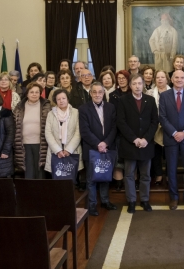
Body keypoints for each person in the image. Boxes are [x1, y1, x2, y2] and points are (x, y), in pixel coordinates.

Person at [117, 74, 159, 213]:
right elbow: (121, 122)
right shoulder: (123, 100)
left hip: (146, 144)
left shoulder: (150, 100)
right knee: (129, 174)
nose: (137, 86)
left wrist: (146, 139)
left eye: (139, 83)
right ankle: (131, 201)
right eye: (134, 83)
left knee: (145, 175)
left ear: (143, 85)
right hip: (130, 144)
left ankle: (145, 200)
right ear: (130, 85)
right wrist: (134, 139)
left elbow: (154, 122)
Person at [158, 70, 184, 210]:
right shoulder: (164, 96)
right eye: (177, 77)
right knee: (171, 170)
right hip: (171, 137)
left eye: (182, 77)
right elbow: (162, 117)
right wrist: (175, 133)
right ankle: (174, 197)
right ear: (172, 79)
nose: (179, 80)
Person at [79, 82, 118, 216]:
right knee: (91, 179)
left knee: (105, 176)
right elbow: (84, 131)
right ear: (90, 93)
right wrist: (98, 144)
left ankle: (105, 201)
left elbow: (114, 128)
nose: (97, 94)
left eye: (100, 92)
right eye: (94, 92)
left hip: (107, 148)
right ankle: (92, 204)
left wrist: (105, 143)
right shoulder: (83, 109)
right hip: (91, 148)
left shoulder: (111, 107)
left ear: (103, 93)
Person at [13, 82, 52, 179]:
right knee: (28, 171)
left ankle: (40, 192)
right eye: (31, 92)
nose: (34, 94)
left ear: (40, 93)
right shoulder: (19, 107)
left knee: (40, 171)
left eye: (37, 92)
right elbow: (14, 124)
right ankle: (29, 192)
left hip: (42, 143)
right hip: (24, 144)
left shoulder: (46, 106)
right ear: (27, 94)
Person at [44, 89, 84, 179]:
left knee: (71, 178)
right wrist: (58, 150)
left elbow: (78, 133)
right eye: (58, 99)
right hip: (55, 151)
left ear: (68, 99)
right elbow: (48, 133)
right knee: (57, 178)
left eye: (63, 98)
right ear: (55, 101)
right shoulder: (51, 114)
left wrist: (68, 150)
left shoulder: (76, 112)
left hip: (72, 150)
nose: (61, 101)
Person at [146, 70, 172, 185]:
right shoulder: (149, 93)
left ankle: (169, 174)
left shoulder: (173, 92)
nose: (160, 79)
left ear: (167, 79)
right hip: (154, 126)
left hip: (170, 126)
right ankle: (159, 175)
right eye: (157, 77)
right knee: (156, 152)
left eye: (162, 77)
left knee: (170, 152)